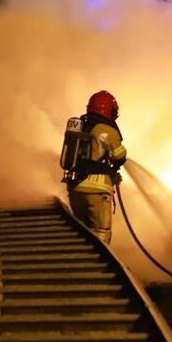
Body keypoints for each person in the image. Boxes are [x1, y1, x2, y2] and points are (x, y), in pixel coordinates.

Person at [64, 91, 127, 243]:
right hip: (98, 191)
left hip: (75, 188)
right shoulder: (106, 130)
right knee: (100, 235)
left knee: (81, 232)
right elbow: (120, 156)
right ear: (108, 110)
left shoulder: (81, 126)